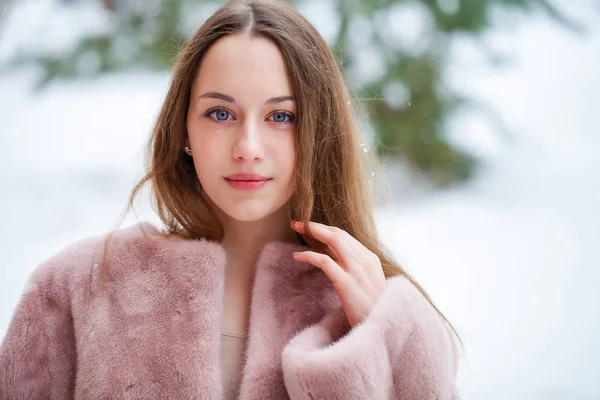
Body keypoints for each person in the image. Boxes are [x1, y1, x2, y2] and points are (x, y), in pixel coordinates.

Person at [0, 0, 462, 398]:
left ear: (319, 132)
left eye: (281, 116)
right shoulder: (75, 289)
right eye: (220, 113)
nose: (248, 147)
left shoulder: (383, 313)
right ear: (184, 129)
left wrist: (380, 336)